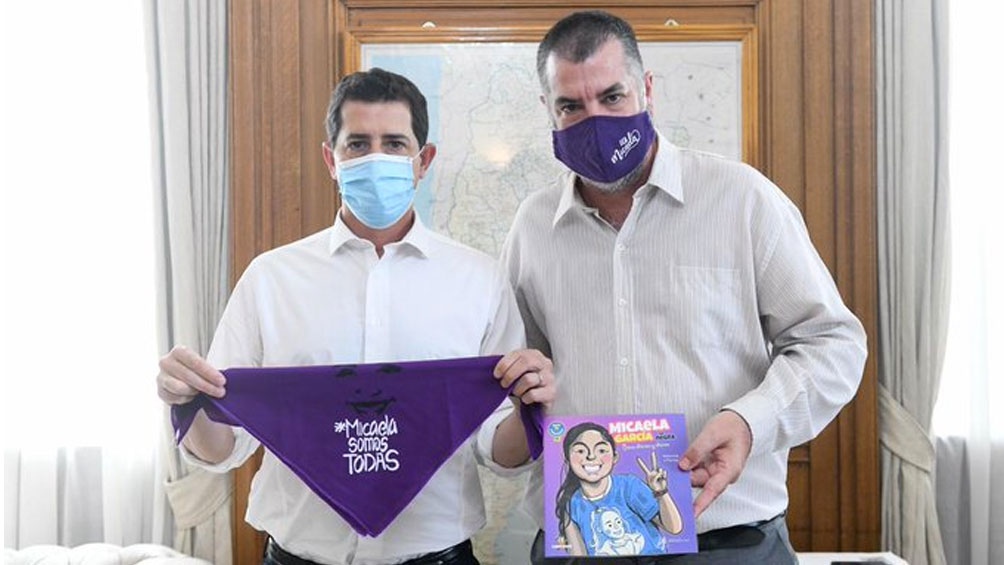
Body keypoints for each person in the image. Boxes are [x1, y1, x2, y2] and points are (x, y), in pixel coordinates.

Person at [500, 10, 868, 564]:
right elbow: (512, 373)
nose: (595, 121)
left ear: (646, 90)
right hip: (581, 541)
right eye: (571, 106)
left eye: (613, 97)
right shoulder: (533, 227)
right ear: (548, 110)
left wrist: (751, 420)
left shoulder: (742, 200)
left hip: (728, 538)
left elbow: (833, 343)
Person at [156, 68, 555, 565]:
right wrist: (188, 400)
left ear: (423, 160)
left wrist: (532, 406)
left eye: (394, 144)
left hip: (437, 556)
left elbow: (498, 448)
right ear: (332, 159)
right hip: (296, 556)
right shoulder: (270, 279)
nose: (375, 159)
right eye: (358, 145)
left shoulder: (480, 280)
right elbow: (223, 447)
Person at [555, 422, 683, 557]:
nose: (591, 456)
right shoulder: (571, 504)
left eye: (601, 450)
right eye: (581, 451)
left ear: (615, 457)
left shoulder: (628, 486)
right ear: (567, 459)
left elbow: (674, 528)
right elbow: (579, 556)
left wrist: (661, 492)